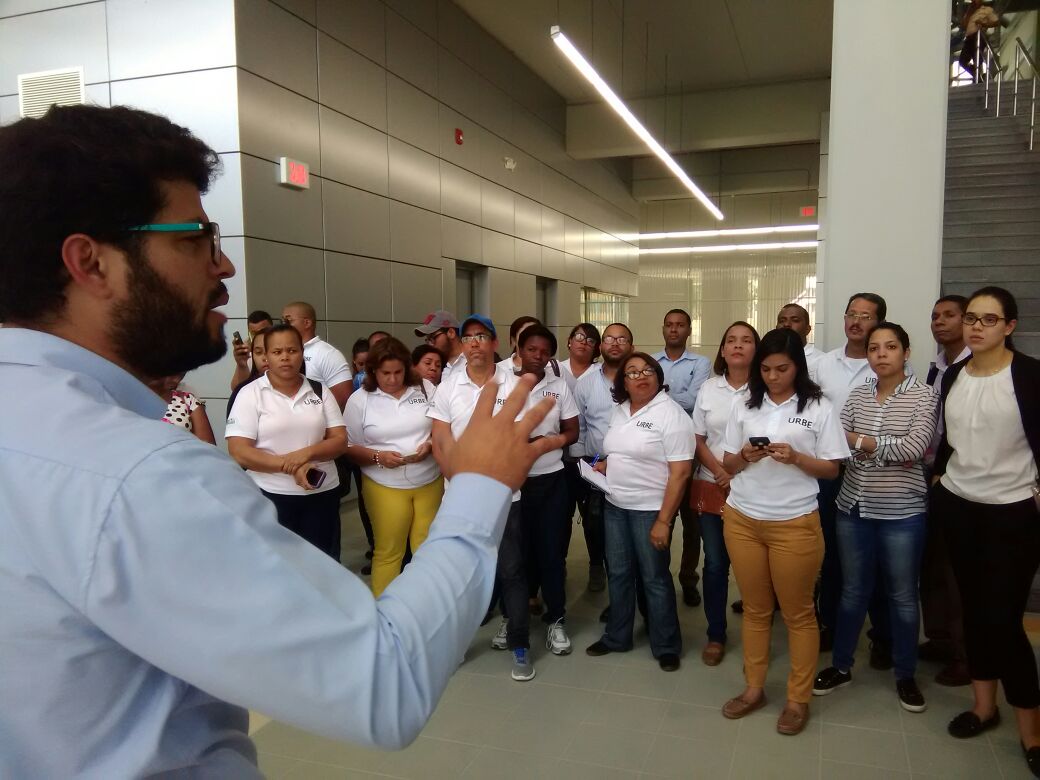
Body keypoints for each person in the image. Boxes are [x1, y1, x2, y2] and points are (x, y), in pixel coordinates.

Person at [0, 103, 561, 776]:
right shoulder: (133, 473)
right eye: (198, 238)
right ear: (90, 262)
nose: (225, 266)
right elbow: (383, 684)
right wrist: (480, 486)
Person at [931, 287, 1040, 776]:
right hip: (959, 505)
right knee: (972, 611)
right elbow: (951, 439)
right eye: (971, 318)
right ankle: (983, 707)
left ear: (1010, 326)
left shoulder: (1030, 375)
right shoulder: (955, 373)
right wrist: (939, 479)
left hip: (1012, 511)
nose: (976, 327)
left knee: (1004, 621)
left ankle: (1032, 733)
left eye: (988, 320)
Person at [719, 328, 849, 736]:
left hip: (794, 523)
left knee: (797, 614)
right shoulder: (744, 402)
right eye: (766, 369)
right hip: (742, 518)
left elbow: (832, 468)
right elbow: (727, 461)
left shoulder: (818, 405)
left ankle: (797, 699)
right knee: (756, 610)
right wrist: (744, 455)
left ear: (798, 367)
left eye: (782, 369)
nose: (773, 377)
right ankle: (754, 688)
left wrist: (796, 458)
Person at [429, 315, 565, 682]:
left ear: (494, 343)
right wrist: (459, 481)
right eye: (467, 337)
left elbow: (517, 440)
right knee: (460, 573)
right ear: (460, 344)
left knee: (512, 570)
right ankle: (456, 643)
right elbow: (440, 441)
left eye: (481, 336)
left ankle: (520, 645)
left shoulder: (515, 383)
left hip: (506, 497)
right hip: (459, 496)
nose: (474, 342)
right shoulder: (448, 385)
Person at [812, 322, 938, 713]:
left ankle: (905, 675)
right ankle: (842, 666)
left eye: (890, 347)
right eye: (874, 348)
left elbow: (915, 449)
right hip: (854, 508)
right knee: (853, 591)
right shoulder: (857, 394)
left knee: (901, 595)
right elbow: (836, 439)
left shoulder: (924, 396)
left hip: (902, 513)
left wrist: (863, 444)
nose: (881, 354)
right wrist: (881, 448)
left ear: (906, 352)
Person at [585, 352, 692, 671]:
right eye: (631, 372)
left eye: (647, 370)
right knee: (618, 573)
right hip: (615, 505)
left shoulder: (671, 414)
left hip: (650, 510)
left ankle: (667, 644)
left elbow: (681, 473)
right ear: (624, 383)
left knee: (654, 578)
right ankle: (617, 636)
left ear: (658, 377)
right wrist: (602, 466)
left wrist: (664, 520)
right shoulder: (620, 411)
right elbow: (616, 451)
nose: (640, 375)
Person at [813, 292, 891, 660]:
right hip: (829, 472)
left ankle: (881, 634)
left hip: (873, 474)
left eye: (866, 315)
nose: (856, 321)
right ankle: (829, 623)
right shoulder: (823, 365)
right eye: (851, 314)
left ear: (879, 322)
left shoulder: (886, 365)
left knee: (873, 555)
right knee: (831, 553)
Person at [226, 324, 347, 559]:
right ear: (265, 356)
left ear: (302, 353)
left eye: (292, 351)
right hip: (270, 495)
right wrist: (292, 466)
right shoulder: (250, 393)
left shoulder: (319, 391)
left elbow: (340, 440)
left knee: (322, 563)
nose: (285, 357)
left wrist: (306, 455)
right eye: (277, 351)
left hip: (321, 494)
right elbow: (239, 451)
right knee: (277, 563)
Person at [502, 324, 579, 657]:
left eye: (545, 351)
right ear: (518, 348)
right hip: (511, 483)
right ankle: (512, 620)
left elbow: (572, 431)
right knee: (514, 558)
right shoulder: (500, 382)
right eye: (532, 349)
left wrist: (550, 442)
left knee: (550, 553)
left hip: (551, 480)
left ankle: (556, 620)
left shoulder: (558, 385)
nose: (539, 356)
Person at [344, 338, 443, 596]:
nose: (392, 379)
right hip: (384, 484)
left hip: (429, 480)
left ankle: (422, 608)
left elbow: (444, 426)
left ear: (407, 368)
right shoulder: (360, 400)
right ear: (373, 371)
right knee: (389, 551)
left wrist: (431, 443)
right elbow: (349, 447)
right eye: (385, 373)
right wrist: (379, 457)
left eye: (398, 372)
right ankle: (387, 616)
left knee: (426, 549)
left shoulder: (426, 388)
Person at [691, 321, 759, 666]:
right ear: (721, 350)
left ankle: (757, 635)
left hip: (753, 489)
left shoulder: (766, 391)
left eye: (746, 340)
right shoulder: (709, 389)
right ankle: (716, 634)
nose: (737, 346)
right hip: (712, 484)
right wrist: (720, 471)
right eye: (730, 340)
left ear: (756, 349)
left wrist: (735, 472)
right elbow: (698, 438)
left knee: (752, 567)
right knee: (716, 564)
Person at [919, 294, 972, 686]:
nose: (940, 322)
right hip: (928, 473)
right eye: (935, 316)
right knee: (932, 562)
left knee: (957, 570)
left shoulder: (976, 367)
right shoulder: (937, 366)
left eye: (950, 316)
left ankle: (966, 655)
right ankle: (939, 639)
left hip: (958, 479)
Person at [653, 308, 711, 608]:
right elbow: (647, 398)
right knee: (661, 519)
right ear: (663, 329)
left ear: (689, 330)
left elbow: (696, 400)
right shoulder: (651, 362)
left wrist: (658, 395)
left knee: (692, 525)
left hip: (690, 454)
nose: (674, 329)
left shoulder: (701, 363)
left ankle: (688, 579)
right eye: (669, 324)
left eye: (680, 325)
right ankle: (658, 578)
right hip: (656, 456)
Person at [574, 323, 634, 606]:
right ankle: (596, 563)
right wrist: (584, 463)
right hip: (596, 461)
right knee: (594, 519)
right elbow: (581, 427)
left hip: (631, 463)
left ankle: (623, 574)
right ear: (601, 346)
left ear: (630, 347)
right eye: (609, 338)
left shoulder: (639, 380)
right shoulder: (585, 383)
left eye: (622, 339)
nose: (614, 343)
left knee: (625, 521)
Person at [559, 323, 602, 589]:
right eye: (579, 337)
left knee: (594, 517)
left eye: (590, 339)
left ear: (597, 348)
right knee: (561, 515)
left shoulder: (601, 373)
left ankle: (597, 566)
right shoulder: (554, 369)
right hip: (560, 457)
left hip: (593, 458)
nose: (583, 342)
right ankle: (558, 563)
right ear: (569, 342)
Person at [281, 300, 353, 410]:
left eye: (288, 320)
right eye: (282, 321)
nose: (283, 325)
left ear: (307, 323)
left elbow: (343, 398)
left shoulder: (328, 354)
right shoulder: (281, 353)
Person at [150, 372, 217, 444]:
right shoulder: (137, 398)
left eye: (182, 373)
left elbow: (207, 448)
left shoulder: (188, 400)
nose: (177, 380)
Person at [226, 326, 271, 417]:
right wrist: (242, 365)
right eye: (258, 352)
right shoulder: (245, 393)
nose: (264, 357)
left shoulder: (306, 386)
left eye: (273, 351)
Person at [415, 310, 465, 383]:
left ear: (451, 333)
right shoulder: (438, 367)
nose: (430, 344)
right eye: (428, 340)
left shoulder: (473, 360)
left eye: (433, 338)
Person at [230, 309, 274, 391]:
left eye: (263, 331)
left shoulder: (283, 345)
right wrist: (241, 364)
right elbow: (236, 389)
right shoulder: (247, 352)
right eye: (254, 333)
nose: (259, 336)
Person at [958, 0, 999, 80]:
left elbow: (996, 22)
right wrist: (969, 12)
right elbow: (963, 25)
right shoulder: (970, 11)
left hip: (979, 35)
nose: (974, 1)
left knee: (977, 59)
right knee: (962, 61)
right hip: (969, 38)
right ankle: (978, 76)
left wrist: (983, 24)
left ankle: (981, 77)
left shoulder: (986, 10)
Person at [777, 303, 822, 375]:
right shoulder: (768, 358)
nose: (786, 324)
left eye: (795, 320)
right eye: (782, 321)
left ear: (807, 329)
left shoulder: (822, 361)